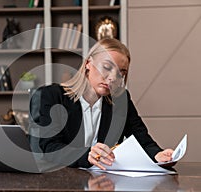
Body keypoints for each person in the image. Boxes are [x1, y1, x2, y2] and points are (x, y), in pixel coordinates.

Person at [29, 38, 174, 170]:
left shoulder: (121, 100)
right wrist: (87, 155)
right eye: (106, 67)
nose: (112, 78)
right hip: (58, 179)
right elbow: (48, 147)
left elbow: (141, 139)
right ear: (88, 64)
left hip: (101, 181)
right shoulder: (49, 96)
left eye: (120, 73)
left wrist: (158, 155)